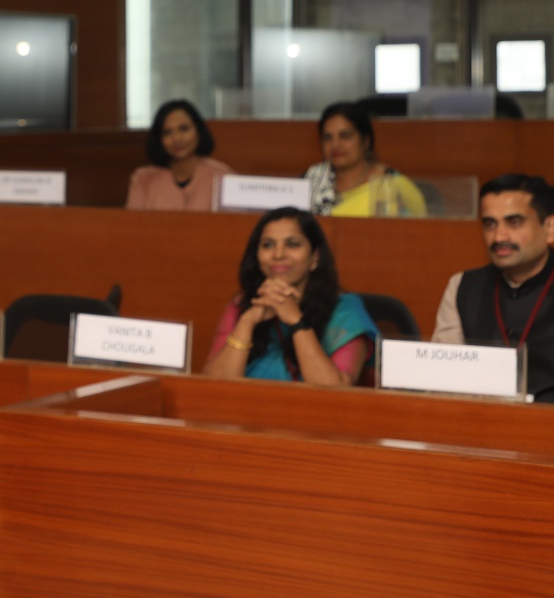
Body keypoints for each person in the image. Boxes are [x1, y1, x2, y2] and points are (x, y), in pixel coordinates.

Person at [434, 174, 554, 409]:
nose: (499, 236)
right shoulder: (461, 286)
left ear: (550, 228)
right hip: (476, 430)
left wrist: (534, 425)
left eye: (514, 222)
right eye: (490, 224)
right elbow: (444, 382)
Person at [202, 206, 378, 385]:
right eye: (268, 245)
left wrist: (296, 320)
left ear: (314, 257)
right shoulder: (242, 305)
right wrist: (248, 321)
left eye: (292, 244)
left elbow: (335, 391)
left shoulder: (345, 311)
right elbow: (213, 385)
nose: (278, 255)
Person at [304, 101, 427, 217]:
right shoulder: (313, 180)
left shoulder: (394, 185)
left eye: (345, 136)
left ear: (365, 141)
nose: (335, 144)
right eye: (327, 137)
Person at [125, 99, 234, 211]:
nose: (177, 138)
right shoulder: (143, 179)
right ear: (159, 139)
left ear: (199, 131)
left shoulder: (222, 176)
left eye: (184, 129)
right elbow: (131, 225)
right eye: (167, 132)